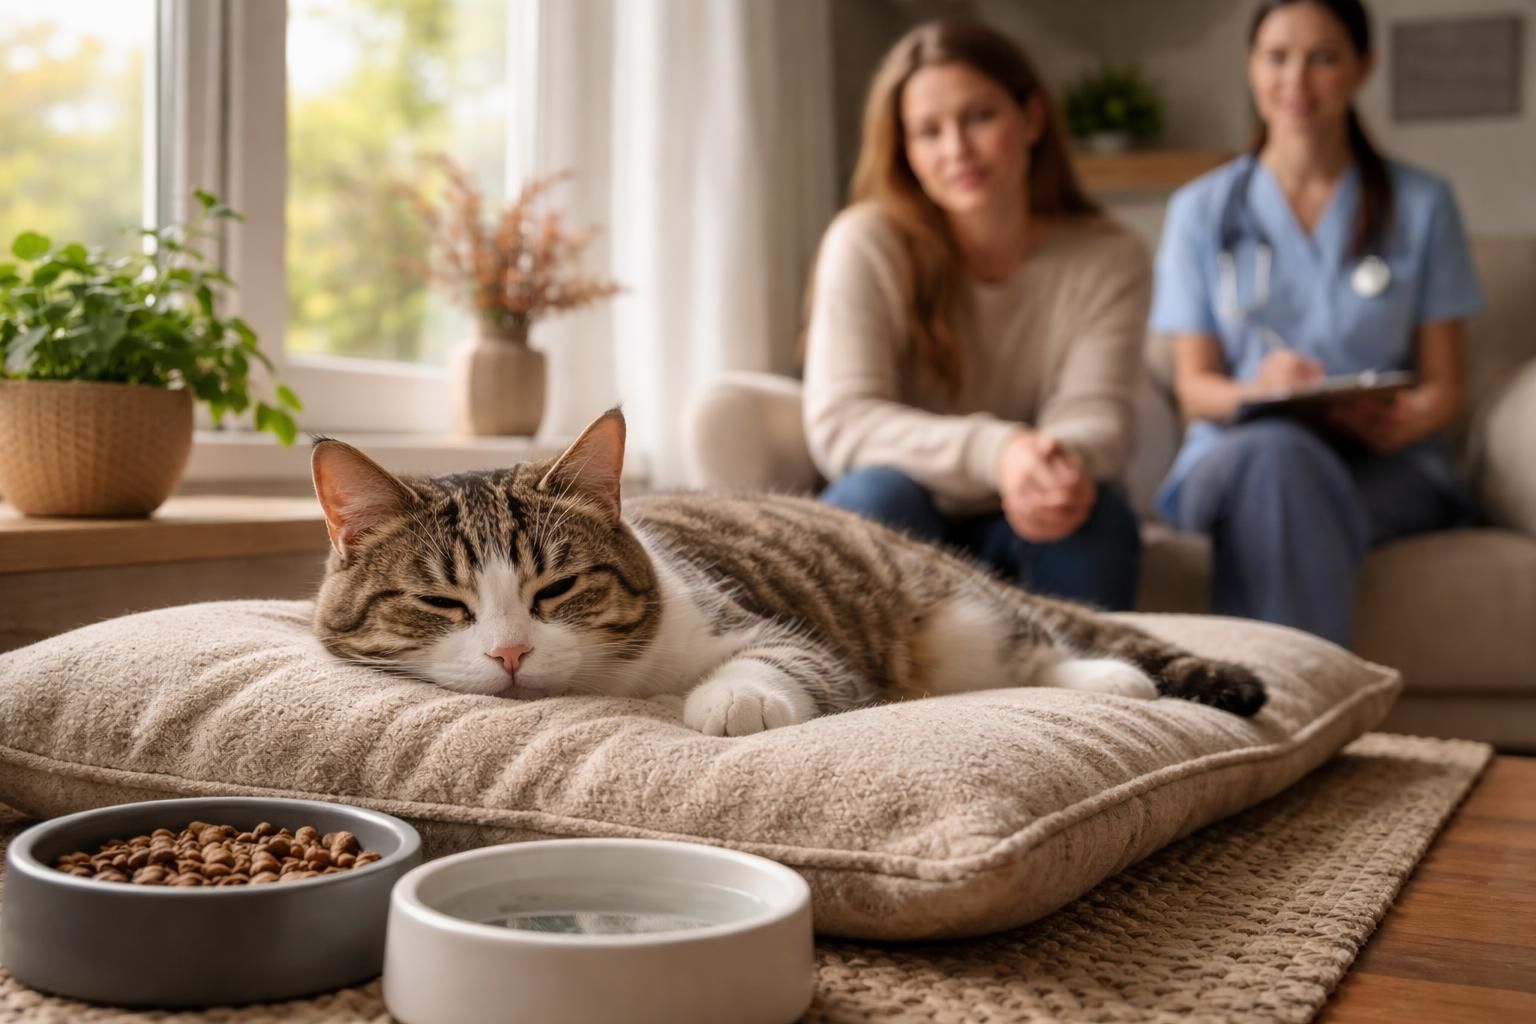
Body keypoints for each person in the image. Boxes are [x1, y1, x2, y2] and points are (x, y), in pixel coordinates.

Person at [1150, 0, 1483, 646]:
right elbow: (1197, 388)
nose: (1296, 82)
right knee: (1278, 458)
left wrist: (1405, 418)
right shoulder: (1200, 211)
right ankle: (1320, 715)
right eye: (1277, 57)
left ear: (1363, 68)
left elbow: (1445, 386)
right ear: (1251, 65)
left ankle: (1275, 719)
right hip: (1236, 456)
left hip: (1379, 466)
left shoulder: (1422, 204)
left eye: (1323, 58)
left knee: (1289, 488)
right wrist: (1263, 395)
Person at [802, 18, 1151, 611]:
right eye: (928, 132)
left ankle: (1076, 701)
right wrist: (998, 452)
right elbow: (844, 422)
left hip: (1032, 514)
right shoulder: (865, 241)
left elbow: (1100, 415)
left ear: (1032, 119)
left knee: (1097, 521)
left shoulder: (1109, 254)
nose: (955, 149)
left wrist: (1046, 468)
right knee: (872, 498)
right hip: (907, 501)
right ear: (905, 150)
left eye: (978, 117)